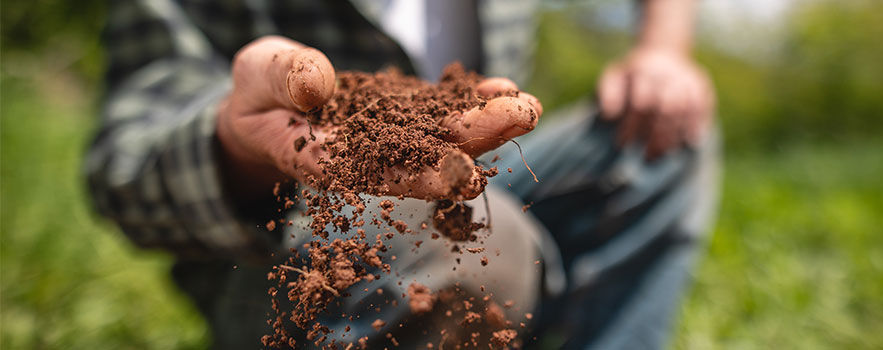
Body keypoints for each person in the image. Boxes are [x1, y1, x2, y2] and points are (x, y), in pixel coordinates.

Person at [86, 0, 718, 348]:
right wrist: (240, 141)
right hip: (293, 243)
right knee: (476, 243)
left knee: (662, 138)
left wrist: (663, 49)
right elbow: (121, 167)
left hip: (480, 174)